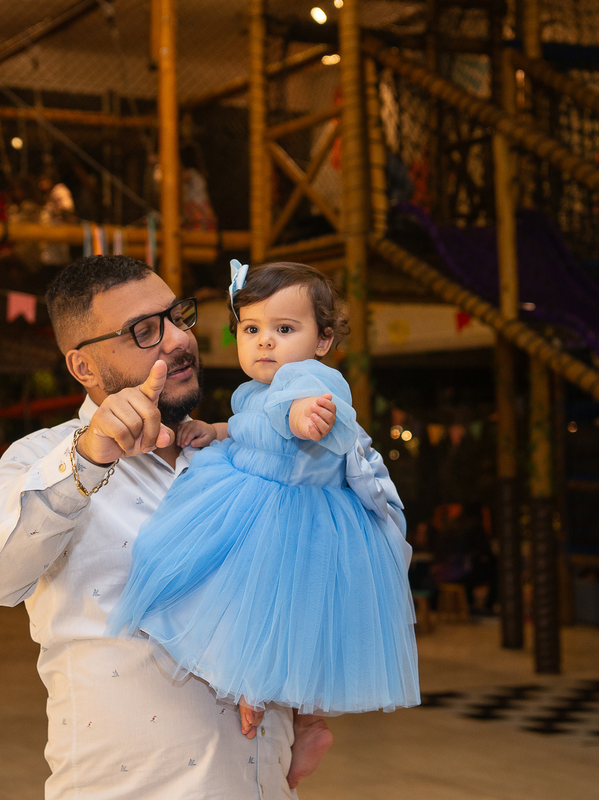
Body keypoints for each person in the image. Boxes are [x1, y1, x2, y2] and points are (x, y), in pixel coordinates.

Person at [0, 255, 401, 798]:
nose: (178, 339)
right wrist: (87, 459)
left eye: (178, 316)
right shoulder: (47, 458)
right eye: (144, 331)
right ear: (84, 367)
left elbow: (329, 571)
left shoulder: (242, 454)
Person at [105, 261, 418, 744]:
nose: (265, 342)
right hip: (254, 495)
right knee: (248, 610)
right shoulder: (256, 389)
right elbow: (253, 424)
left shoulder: (311, 381)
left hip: (288, 516)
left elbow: (304, 412)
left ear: (323, 341)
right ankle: (277, 709)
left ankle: (283, 710)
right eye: (251, 329)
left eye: (284, 329)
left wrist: (305, 417)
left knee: (261, 611)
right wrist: (215, 430)